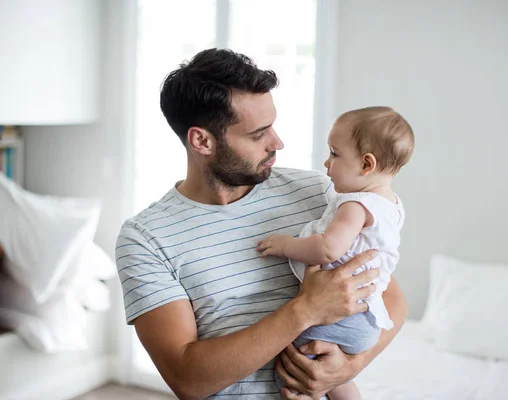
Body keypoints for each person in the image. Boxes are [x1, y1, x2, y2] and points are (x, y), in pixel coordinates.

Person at [115, 48, 407, 400]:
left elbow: (389, 298)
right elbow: (187, 379)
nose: (278, 143)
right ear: (202, 141)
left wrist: (348, 367)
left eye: (273, 125)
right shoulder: (146, 239)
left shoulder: (320, 192)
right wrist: (306, 309)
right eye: (259, 134)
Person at [257, 106, 413, 400]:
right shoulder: (392, 205)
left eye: (335, 154)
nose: (326, 163)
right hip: (367, 316)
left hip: (343, 317)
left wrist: (284, 245)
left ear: (367, 164)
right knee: (337, 381)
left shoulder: (355, 206)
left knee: (291, 366)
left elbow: (328, 248)